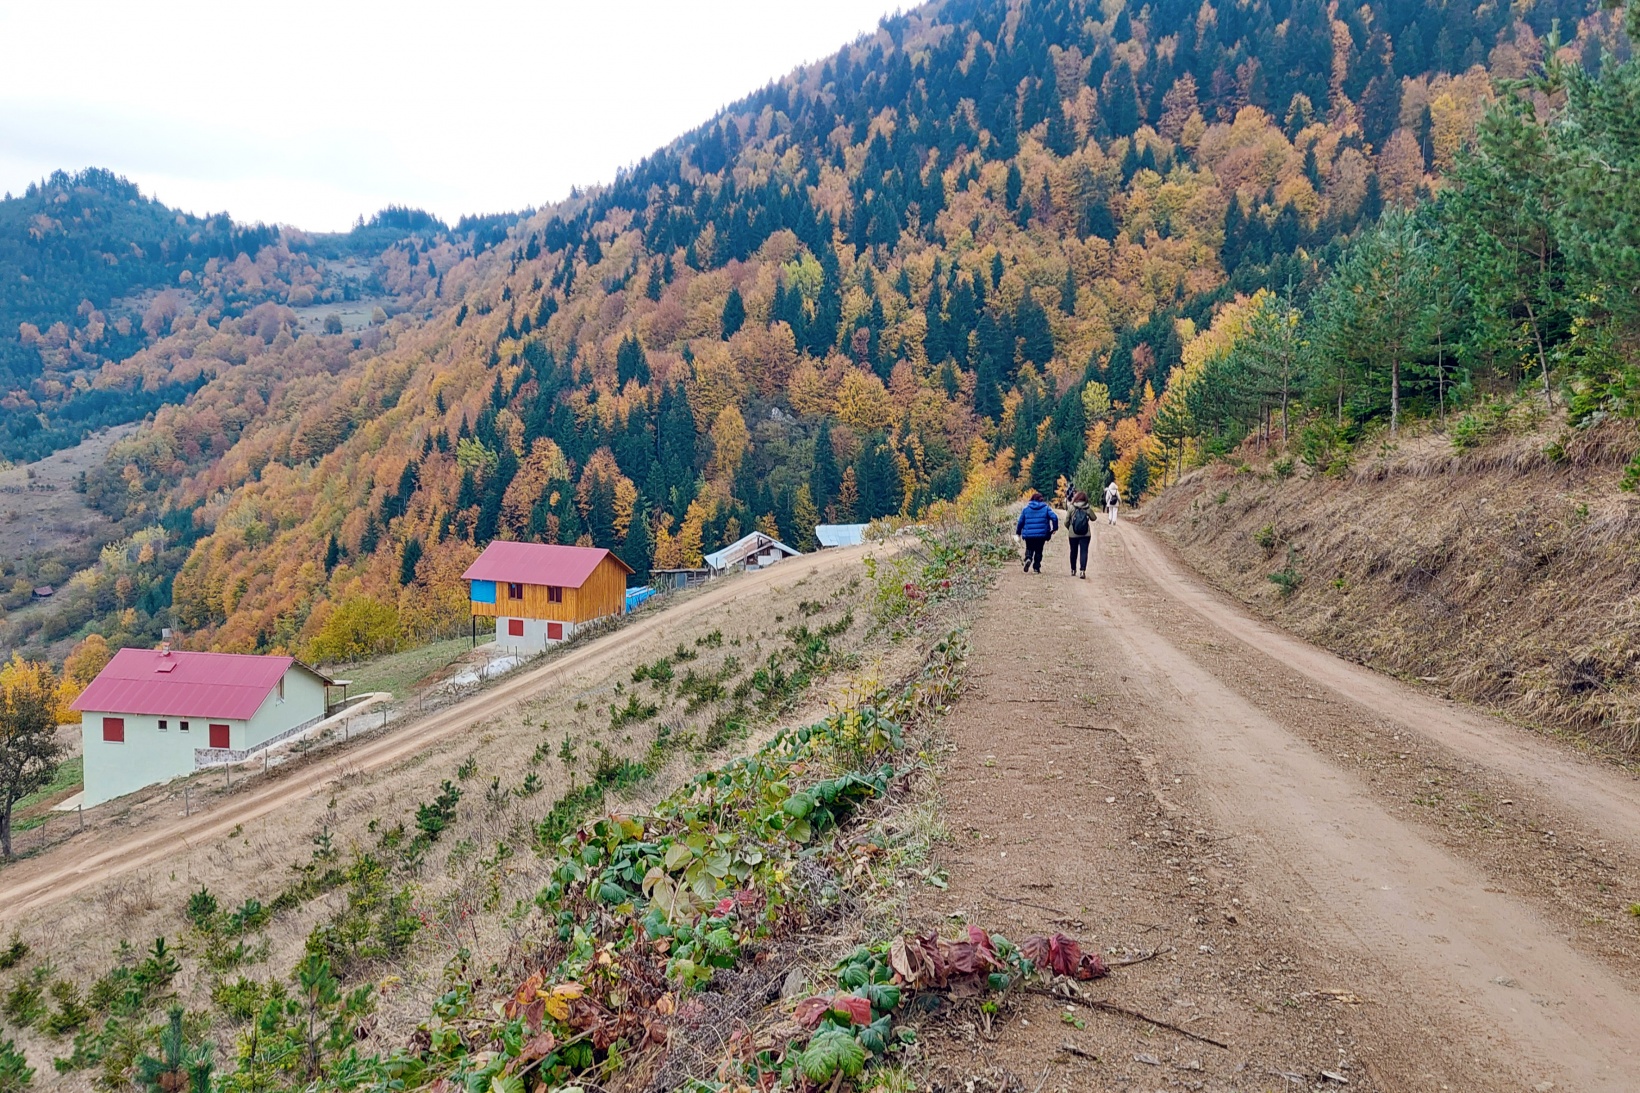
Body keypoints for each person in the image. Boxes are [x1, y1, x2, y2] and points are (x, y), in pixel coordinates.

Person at [1015, 491, 1058, 574]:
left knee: (1029, 547)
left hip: (1029, 534)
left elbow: (1020, 522)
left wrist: (1018, 532)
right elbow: (1054, 517)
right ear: (1041, 499)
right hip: (1041, 534)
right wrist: (1054, 528)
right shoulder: (1046, 508)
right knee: (1039, 550)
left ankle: (1028, 558)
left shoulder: (1026, 509)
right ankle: (1036, 568)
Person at [1066, 490, 1092, 578]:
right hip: (1085, 534)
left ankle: (1073, 570)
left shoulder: (1071, 507)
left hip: (1073, 534)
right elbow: (1094, 518)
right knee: (1084, 551)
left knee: (1073, 551)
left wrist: (1070, 528)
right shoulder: (1087, 507)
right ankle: (1082, 571)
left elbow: (1066, 521)